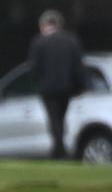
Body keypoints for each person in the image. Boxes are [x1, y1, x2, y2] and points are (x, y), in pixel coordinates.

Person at [28, 9, 84, 159]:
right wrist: (79, 86)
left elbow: (34, 67)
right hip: (66, 87)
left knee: (54, 117)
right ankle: (59, 147)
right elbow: (78, 66)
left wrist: (36, 83)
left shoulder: (39, 42)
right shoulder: (71, 41)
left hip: (47, 88)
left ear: (43, 25)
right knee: (60, 116)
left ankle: (59, 148)